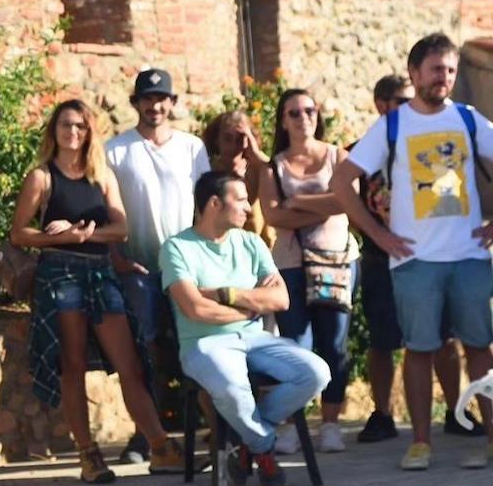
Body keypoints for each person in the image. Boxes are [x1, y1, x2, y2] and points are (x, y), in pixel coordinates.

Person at [330, 33, 493, 471]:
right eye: (437, 69)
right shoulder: (393, 125)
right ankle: (420, 442)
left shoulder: (469, 119)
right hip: (415, 261)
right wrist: (378, 237)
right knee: (419, 350)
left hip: (469, 256)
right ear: (415, 72)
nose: (444, 78)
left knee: (480, 348)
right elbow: (340, 183)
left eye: (451, 70)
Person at [12, 99, 193, 483]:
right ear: (53, 130)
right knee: (73, 366)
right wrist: (51, 235)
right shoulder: (42, 177)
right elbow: (19, 233)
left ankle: (160, 447)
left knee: (129, 362)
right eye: (65, 125)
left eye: (80, 125)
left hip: (100, 271)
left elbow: (121, 229)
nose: (72, 132)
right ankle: (88, 456)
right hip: (59, 274)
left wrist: (83, 233)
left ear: (89, 131)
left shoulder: (102, 175)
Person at [162, 171, 331, 486]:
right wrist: (251, 307)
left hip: (256, 338)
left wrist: (227, 295)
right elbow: (194, 309)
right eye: (240, 200)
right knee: (231, 391)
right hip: (204, 344)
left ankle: (246, 443)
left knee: (317, 373)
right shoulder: (177, 248)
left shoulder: (251, 242)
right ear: (214, 203)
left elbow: (280, 299)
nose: (249, 208)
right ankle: (263, 447)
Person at [351, 75, 478, 443]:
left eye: (408, 98)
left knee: (443, 337)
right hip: (380, 256)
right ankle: (383, 414)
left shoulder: (432, 142)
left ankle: (456, 411)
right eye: (397, 99)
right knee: (383, 339)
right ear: (380, 104)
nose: (405, 106)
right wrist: (377, 235)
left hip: (430, 255)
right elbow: (346, 195)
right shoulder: (364, 148)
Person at [105, 68, 211, 463]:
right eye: (147, 99)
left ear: (172, 103)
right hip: (138, 268)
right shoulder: (115, 150)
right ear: (136, 103)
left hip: (185, 268)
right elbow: (106, 210)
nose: (155, 106)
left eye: (161, 98)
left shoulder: (192, 147)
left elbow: (206, 205)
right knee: (143, 352)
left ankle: (212, 429)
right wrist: (117, 258)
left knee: (196, 345)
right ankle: (146, 436)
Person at [257, 89, 357, 454]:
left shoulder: (337, 156)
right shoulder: (274, 166)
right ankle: (292, 425)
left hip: (335, 261)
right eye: (294, 113)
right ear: (283, 120)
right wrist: (327, 205)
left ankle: (330, 424)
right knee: (295, 344)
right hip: (290, 263)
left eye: (309, 111)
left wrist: (297, 201)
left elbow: (350, 198)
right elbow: (273, 215)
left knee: (333, 343)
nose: (303, 118)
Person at [203, 111, 273, 246]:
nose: (234, 145)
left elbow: (278, 175)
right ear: (217, 140)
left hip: (257, 250)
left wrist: (256, 153)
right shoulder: (209, 172)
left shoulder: (258, 169)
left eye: (241, 138)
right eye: (228, 138)